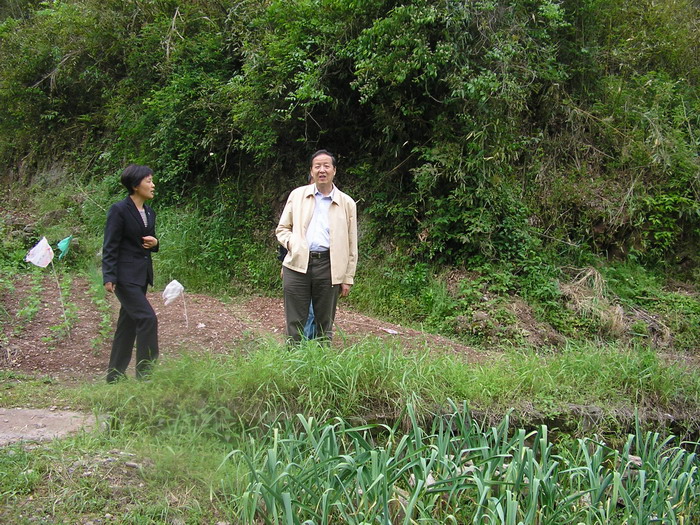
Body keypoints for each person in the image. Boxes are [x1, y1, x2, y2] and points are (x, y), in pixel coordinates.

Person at [276, 149, 358, 343]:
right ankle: (293, 366)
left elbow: (351, 243)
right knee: (294, 323)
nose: (322, 170)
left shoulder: (346, 203)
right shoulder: (297, 195)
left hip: (328, 266)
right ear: (311, 171)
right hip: (297, 265)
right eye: (317, 166)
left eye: (326, 166)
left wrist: (347, 277)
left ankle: (320, 368)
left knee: (324, 324)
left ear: (334, 170)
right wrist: (293, 244)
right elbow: (282, 229)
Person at [102, 164, 160, 383]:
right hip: (124, 276)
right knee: (147, 318)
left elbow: (148, 241)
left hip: (141, 275)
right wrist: (109, 275)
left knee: (127, 325)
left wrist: (155, 243)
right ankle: (146, 376)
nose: (153, 185)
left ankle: (114, 376)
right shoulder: (119, 210)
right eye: (148, 181)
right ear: (136, 185)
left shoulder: (149, 212)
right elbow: (110, 244)